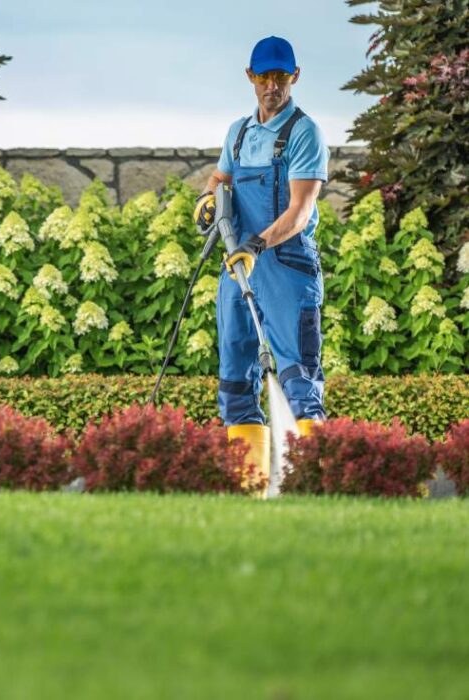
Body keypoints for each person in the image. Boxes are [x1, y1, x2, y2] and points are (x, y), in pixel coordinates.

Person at [193, 36, 329, 478]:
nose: (273, 86)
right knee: (235, 379)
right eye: (264, 77)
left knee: (297, 379)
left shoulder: (304, 133)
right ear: (250, 78)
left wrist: (255, 246)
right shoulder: (239, 132)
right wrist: (208, 200)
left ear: (295, 77)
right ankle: (247, 490)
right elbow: (219, 179)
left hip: (286, 268)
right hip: (237, 269)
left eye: (281, 77)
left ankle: (313, 486)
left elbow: (300, 210)